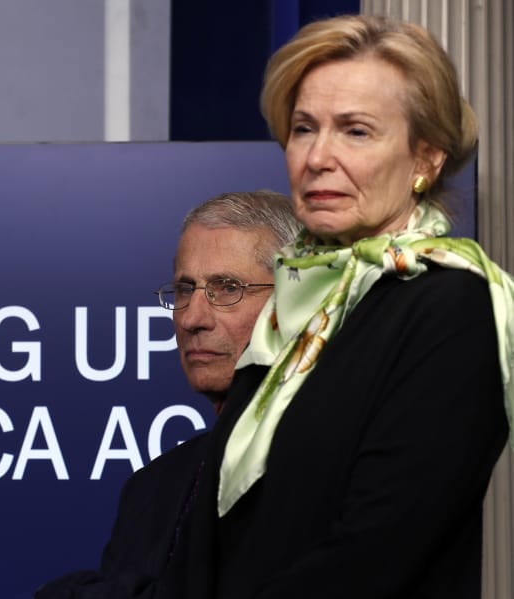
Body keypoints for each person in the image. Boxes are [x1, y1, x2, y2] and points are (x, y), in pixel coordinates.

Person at [158, 14, 514, 599]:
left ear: (424, 158)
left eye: (355, 131)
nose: (318, 156)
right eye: (304, 128)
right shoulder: (294, 304)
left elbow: (378, 551)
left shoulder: (453, 304)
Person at [35, 190, 300, 598]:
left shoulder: (331, 466)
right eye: (184, 289)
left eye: (226, 288)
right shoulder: (151, 489)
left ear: (296, 302)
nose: (192, 318)